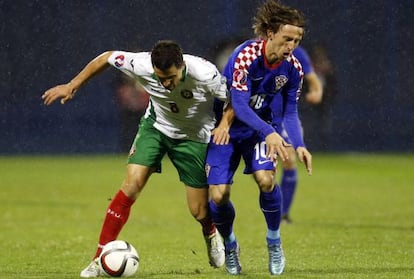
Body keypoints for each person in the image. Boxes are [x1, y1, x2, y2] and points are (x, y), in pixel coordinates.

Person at [42, 40, 233, 277]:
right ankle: (98, 260)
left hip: (193, 137)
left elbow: (234, 99)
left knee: (199, 211)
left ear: (182, 65)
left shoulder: (205, 73)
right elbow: (106, 56)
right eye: (160, 78)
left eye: (171, 78)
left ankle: (211, 232)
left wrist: (225, 124)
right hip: (156, 128)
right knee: (131, 185)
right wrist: (73, 85)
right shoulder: (141, 64)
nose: (165, 84)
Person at [205, 0, 312, 275]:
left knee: (266, 180)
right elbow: (239, 106)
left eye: (297, 40)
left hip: (258, 130)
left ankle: (274, 241)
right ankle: (230, 244)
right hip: (225, 130)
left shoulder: (294, 68)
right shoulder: (245, 56)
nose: (292, 46)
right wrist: (271, 133)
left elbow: (290, 111)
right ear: (270, 33)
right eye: (287, 39)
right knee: (218, 196)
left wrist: (299, 145)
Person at [280, 45, 323, 224]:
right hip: (256, 114)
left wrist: (317, 92)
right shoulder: (252, 51)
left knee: (289, 159)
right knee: (262, 172)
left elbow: (313, 79)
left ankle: (283, 214)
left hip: (283, 115)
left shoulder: (296, 53)